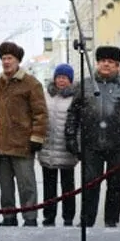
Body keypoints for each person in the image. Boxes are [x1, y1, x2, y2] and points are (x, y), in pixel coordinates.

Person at [65, 46, 120, 228]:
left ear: (117, 65)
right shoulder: (85, 85)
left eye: (111, 62)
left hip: (118, 145)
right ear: (97, 63)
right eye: (103, 61)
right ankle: (87, 220)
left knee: (115, 186)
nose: (106, 65)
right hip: (91, 144)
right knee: (89, 185)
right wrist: (70, 136)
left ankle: (111, 220)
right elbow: (73, 113)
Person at [0, 42, 48, 227]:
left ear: (17, 61)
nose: (6, 62)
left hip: (23, 144)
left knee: (27, 185)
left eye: (10, 58)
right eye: (3, 58)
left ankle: (30, 218)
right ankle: (8, 216)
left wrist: (36, 137)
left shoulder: (31, 83)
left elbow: (40, 113)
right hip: (2, 144)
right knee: (6, 187)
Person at [38, 64, 78, 227]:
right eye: (59, 77)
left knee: (68, 187)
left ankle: (68, 216)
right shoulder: (45, 96)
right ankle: (49, 215)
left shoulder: (76, 97)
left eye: (65, 78)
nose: (61, 81)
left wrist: (77, 144)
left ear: (70, 80)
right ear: (54, 78)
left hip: (66, 148)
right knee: (49, 186)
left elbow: (79, 123)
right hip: (48, 147)